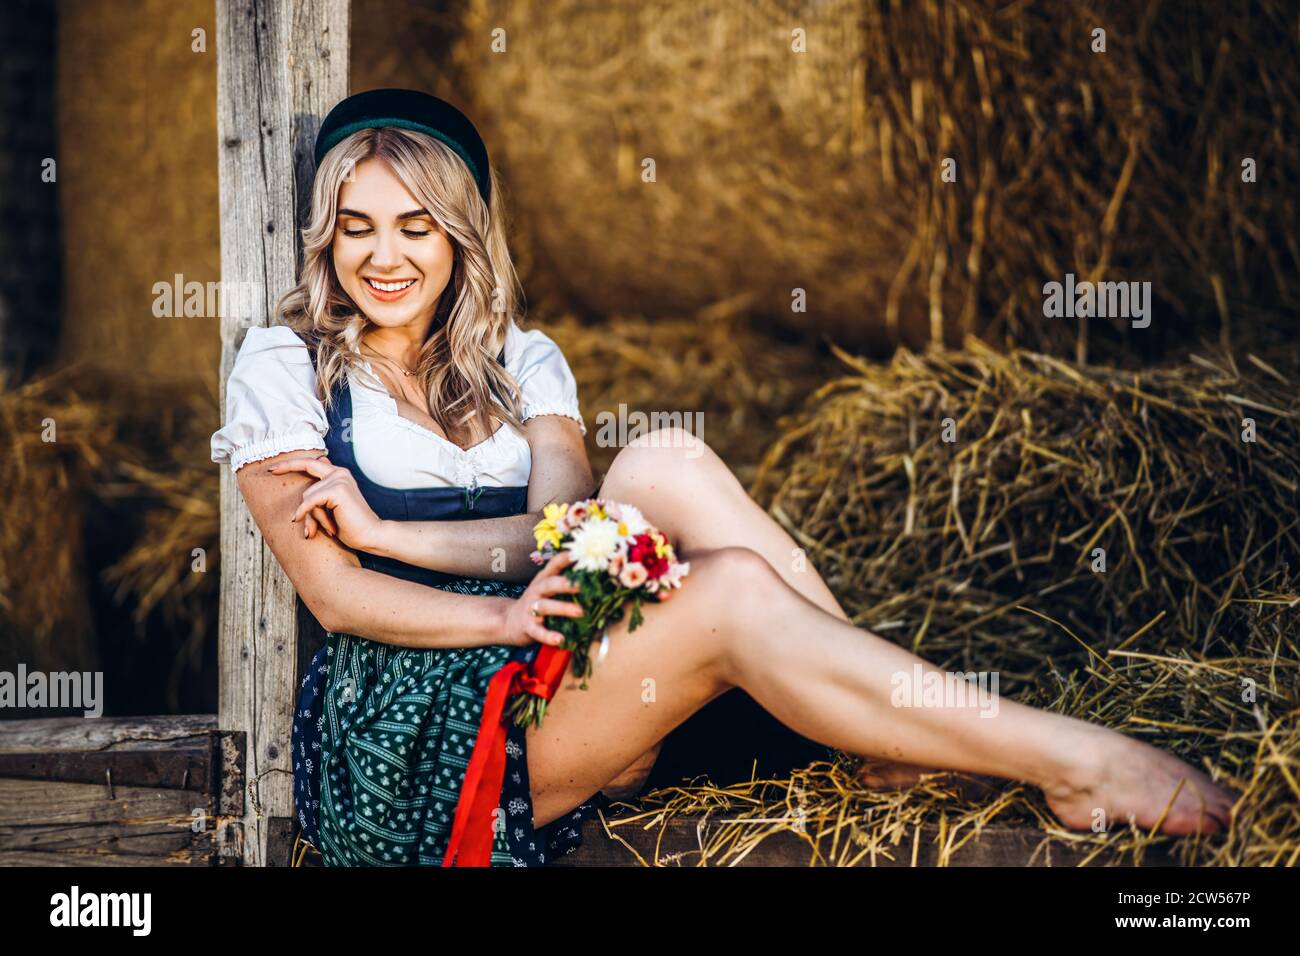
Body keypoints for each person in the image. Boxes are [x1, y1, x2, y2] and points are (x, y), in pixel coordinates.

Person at [211, 89, 1236, 866]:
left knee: (663, 460)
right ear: (326, 234)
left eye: (415, 226)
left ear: (461, 235)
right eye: (357, 225)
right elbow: (335, 595)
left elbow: (564, 535)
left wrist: (395, 533)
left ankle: (889, 739)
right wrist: (495, 618)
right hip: (413, 728)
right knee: (732, 586)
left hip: (550, 655)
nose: (383, 256)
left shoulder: (521, 358)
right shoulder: (285, 368)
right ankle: (1074, 759)